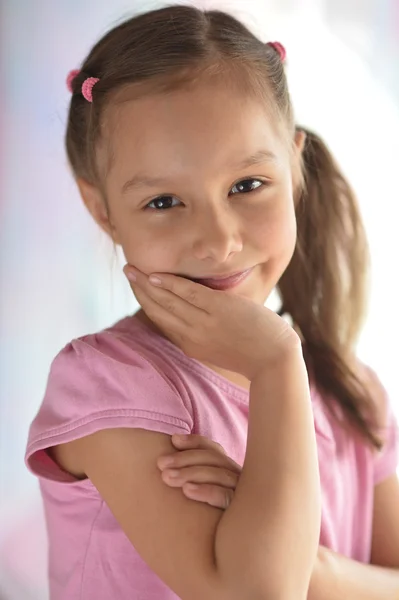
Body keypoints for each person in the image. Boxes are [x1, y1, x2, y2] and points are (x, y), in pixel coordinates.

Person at [25, 4, 399, 600]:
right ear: (102, 210)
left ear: (294, 168)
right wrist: (275, 363)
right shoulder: (108, 384)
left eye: (247, 186)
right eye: (164, 202)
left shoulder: (353, 395)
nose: (219, 241)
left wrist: (317, 569)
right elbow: (258, 592)